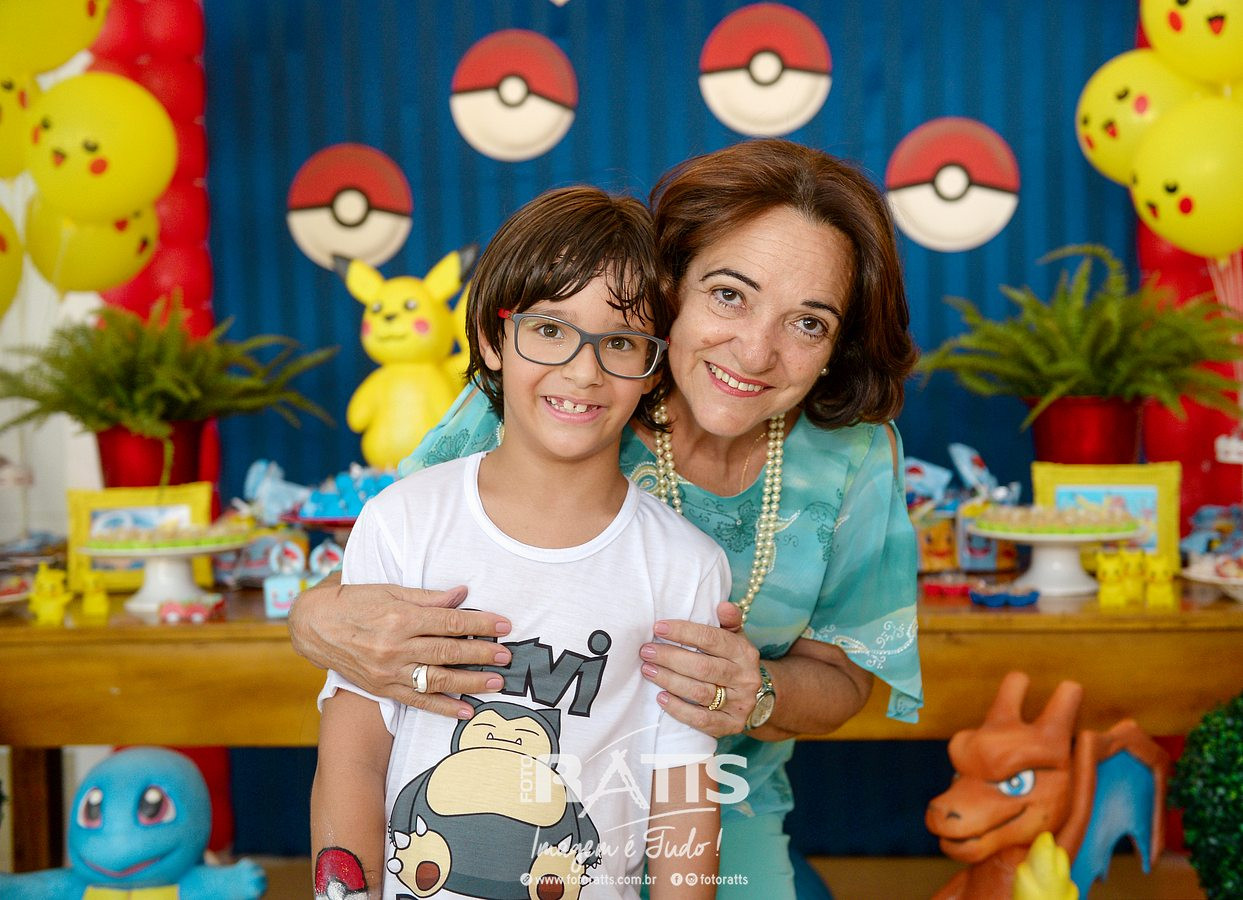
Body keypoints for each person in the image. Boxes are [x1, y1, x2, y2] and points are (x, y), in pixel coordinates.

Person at [293, 138, 923, 897]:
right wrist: (309, 618)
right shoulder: (552, 392)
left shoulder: (850, 457)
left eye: (808, 323)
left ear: (837, 343)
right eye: (730, 295)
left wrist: (756, 690)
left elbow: (843, 680)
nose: (757, 350)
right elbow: (385, 575)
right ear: (669, 288)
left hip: (723, 798)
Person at [310, 186, 728, 899]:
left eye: (620, 342)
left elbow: (683, 798)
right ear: (490, 338)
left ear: (654, 367)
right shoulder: (403, 523)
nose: (583, 371)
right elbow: (353, 759)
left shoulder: (685, 567)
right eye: (550, 329)